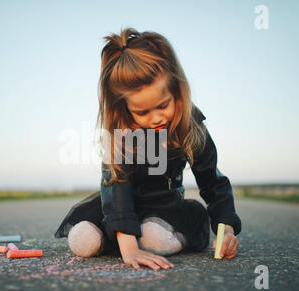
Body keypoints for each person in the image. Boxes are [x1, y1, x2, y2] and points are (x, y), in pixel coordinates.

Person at [54, 27, 241, 270]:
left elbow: (212, 182)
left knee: (154, 236)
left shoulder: (190, 126)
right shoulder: (122, 133)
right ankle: (121, 238)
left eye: (163, 105)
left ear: (177, 90)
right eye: (142, 112)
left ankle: (147, 237)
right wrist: (129, 249)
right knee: (82, 239)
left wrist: (225, 228)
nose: (155, 118)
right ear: (123, 108)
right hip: (126, 207)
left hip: (167, 208)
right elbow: (116, 187)